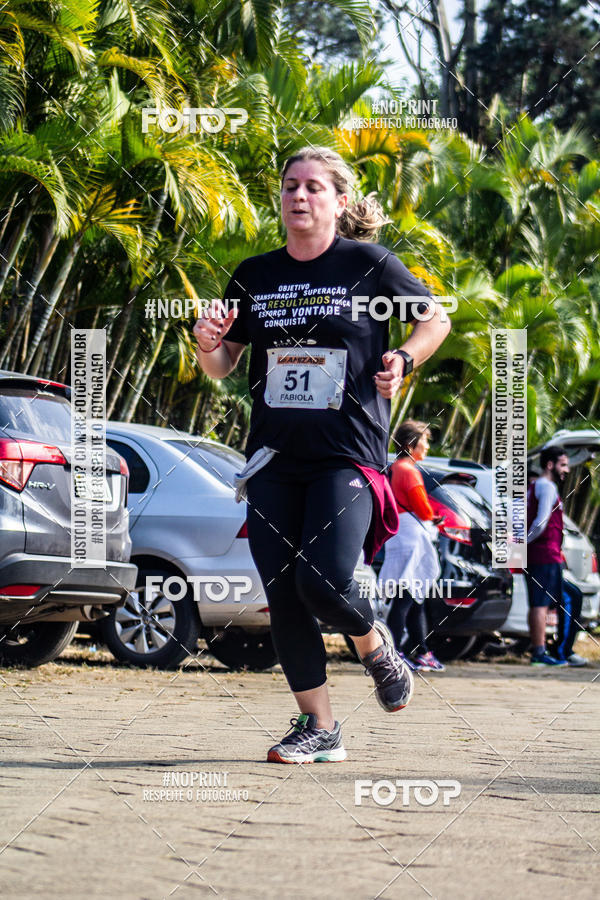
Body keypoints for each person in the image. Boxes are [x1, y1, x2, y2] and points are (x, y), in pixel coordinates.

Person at [194, 146, 450, 763]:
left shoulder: (369, 264)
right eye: (289, 187)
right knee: (282, 592)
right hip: (274, 457)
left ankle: (374, 645)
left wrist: (403, 359)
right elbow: (224, 365)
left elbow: (435, 319)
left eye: (313, 187)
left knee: (324, 579)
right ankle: (320, 727)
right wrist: (208, 342)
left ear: (339, 201)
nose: (299, 197)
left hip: (346, 456)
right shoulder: (254, 275)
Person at [379, 420, 445, 672]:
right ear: (410, 445)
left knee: (413, 598)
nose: (427, 446)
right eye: (424, 441)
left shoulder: (394, 468)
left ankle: (422, 651)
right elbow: (423, 509)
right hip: (413, 537)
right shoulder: (409, 469)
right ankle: (395, 654)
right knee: (406, 598)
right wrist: (435, 517)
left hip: (399, 534)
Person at [526, 445, 573, 666]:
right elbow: (541, 521)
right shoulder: (546, 486)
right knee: (542, 604)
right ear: (550, 465)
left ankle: (545, 650)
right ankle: (540, 652)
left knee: (544, 603)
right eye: (563, 465)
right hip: (544, 554)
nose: (567, 470)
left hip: (544, 554)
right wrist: (524, 542)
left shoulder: (538, 486)